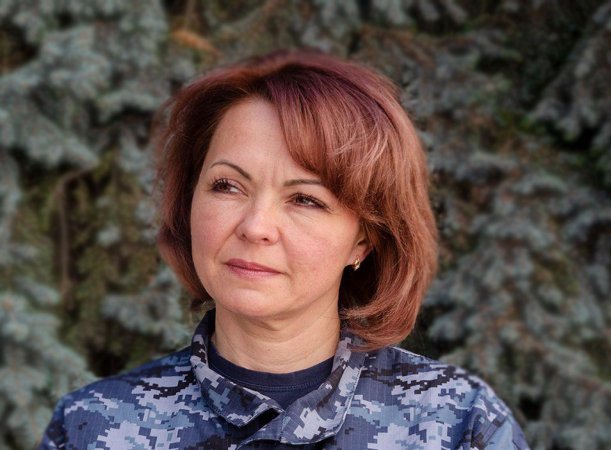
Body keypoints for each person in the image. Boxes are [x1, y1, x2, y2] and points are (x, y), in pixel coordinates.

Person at [39, 49, 530, 449]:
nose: (256, 227)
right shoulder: (93, 427)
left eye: (305, 199)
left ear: (364, 238)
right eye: (228, 186)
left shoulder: (456, 424)